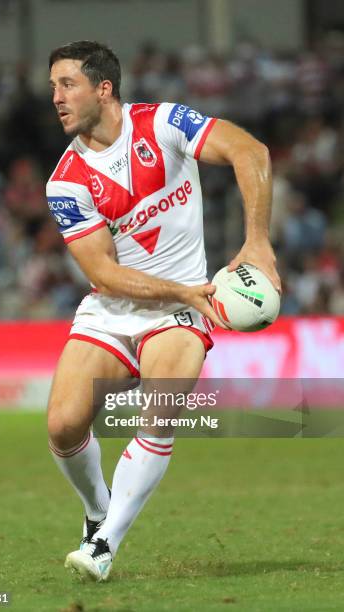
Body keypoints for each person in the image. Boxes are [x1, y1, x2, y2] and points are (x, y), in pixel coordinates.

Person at [46, 40, 280, 582]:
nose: (55, 97)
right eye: (53, 87)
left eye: (67, 85)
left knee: (159, 411)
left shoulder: (165, 123)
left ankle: (104, 545)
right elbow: (102, 274)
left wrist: (258, 242)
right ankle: (98, 510)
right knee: (62, 425)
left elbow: (252, 152)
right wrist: (183, 290)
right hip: (116, 308)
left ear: (104, 89)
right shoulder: (66, 180)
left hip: (180, 311)